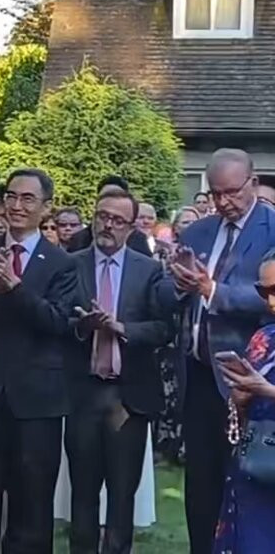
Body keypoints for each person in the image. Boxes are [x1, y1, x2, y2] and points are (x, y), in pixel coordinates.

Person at [0, 168, 78, 554]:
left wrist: (16, 288)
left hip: (37, 399)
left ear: (46, 207)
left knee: (33, 501)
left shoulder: (62, 263)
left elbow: (59, 322)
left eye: (27, 199)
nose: (17, 206)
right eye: (11, 196)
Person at [167, 148, 275, 554]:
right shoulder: (198, 232)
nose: (224, 202)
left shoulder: (272, 229)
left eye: (232, 192)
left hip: (250, 379)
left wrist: (213, 290)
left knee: (247, 481)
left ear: (253, 182)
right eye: (216, 193)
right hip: (198, 372)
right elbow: (167, 294)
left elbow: (268, 297)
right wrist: (179, 284)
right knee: (201, 481)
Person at [65, 189, 173, 554]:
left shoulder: (148, 270)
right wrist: (83, 326)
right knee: (82, 491)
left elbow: (164, 328)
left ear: (131, 228)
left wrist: (122, 328)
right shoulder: (71, 264)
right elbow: (56, 319)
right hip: (82, 392)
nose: (107, 225)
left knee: (122, 493)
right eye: (102, 216)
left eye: (117, 220)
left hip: (127, 396)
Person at [213, 249, 275, 552]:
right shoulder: (265, 337)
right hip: (257, 469)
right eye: (264, 291)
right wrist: (239, 398)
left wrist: (268, 390)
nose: (271, 301)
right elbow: (238, 418)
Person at [153, 206, 199, 464]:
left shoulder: (202, 256)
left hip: (194, 337)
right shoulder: (166, 258)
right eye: (185, 222)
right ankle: (166, 444)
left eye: (194, 221)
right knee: (169, 395)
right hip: (170, 336)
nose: (190, 226)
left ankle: (183, 447)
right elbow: (162, 294)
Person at [68, 177, 151, 257]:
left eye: (118, 221)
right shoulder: (79, 239)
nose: (108, 225)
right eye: (105, 196)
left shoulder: (138, 240)